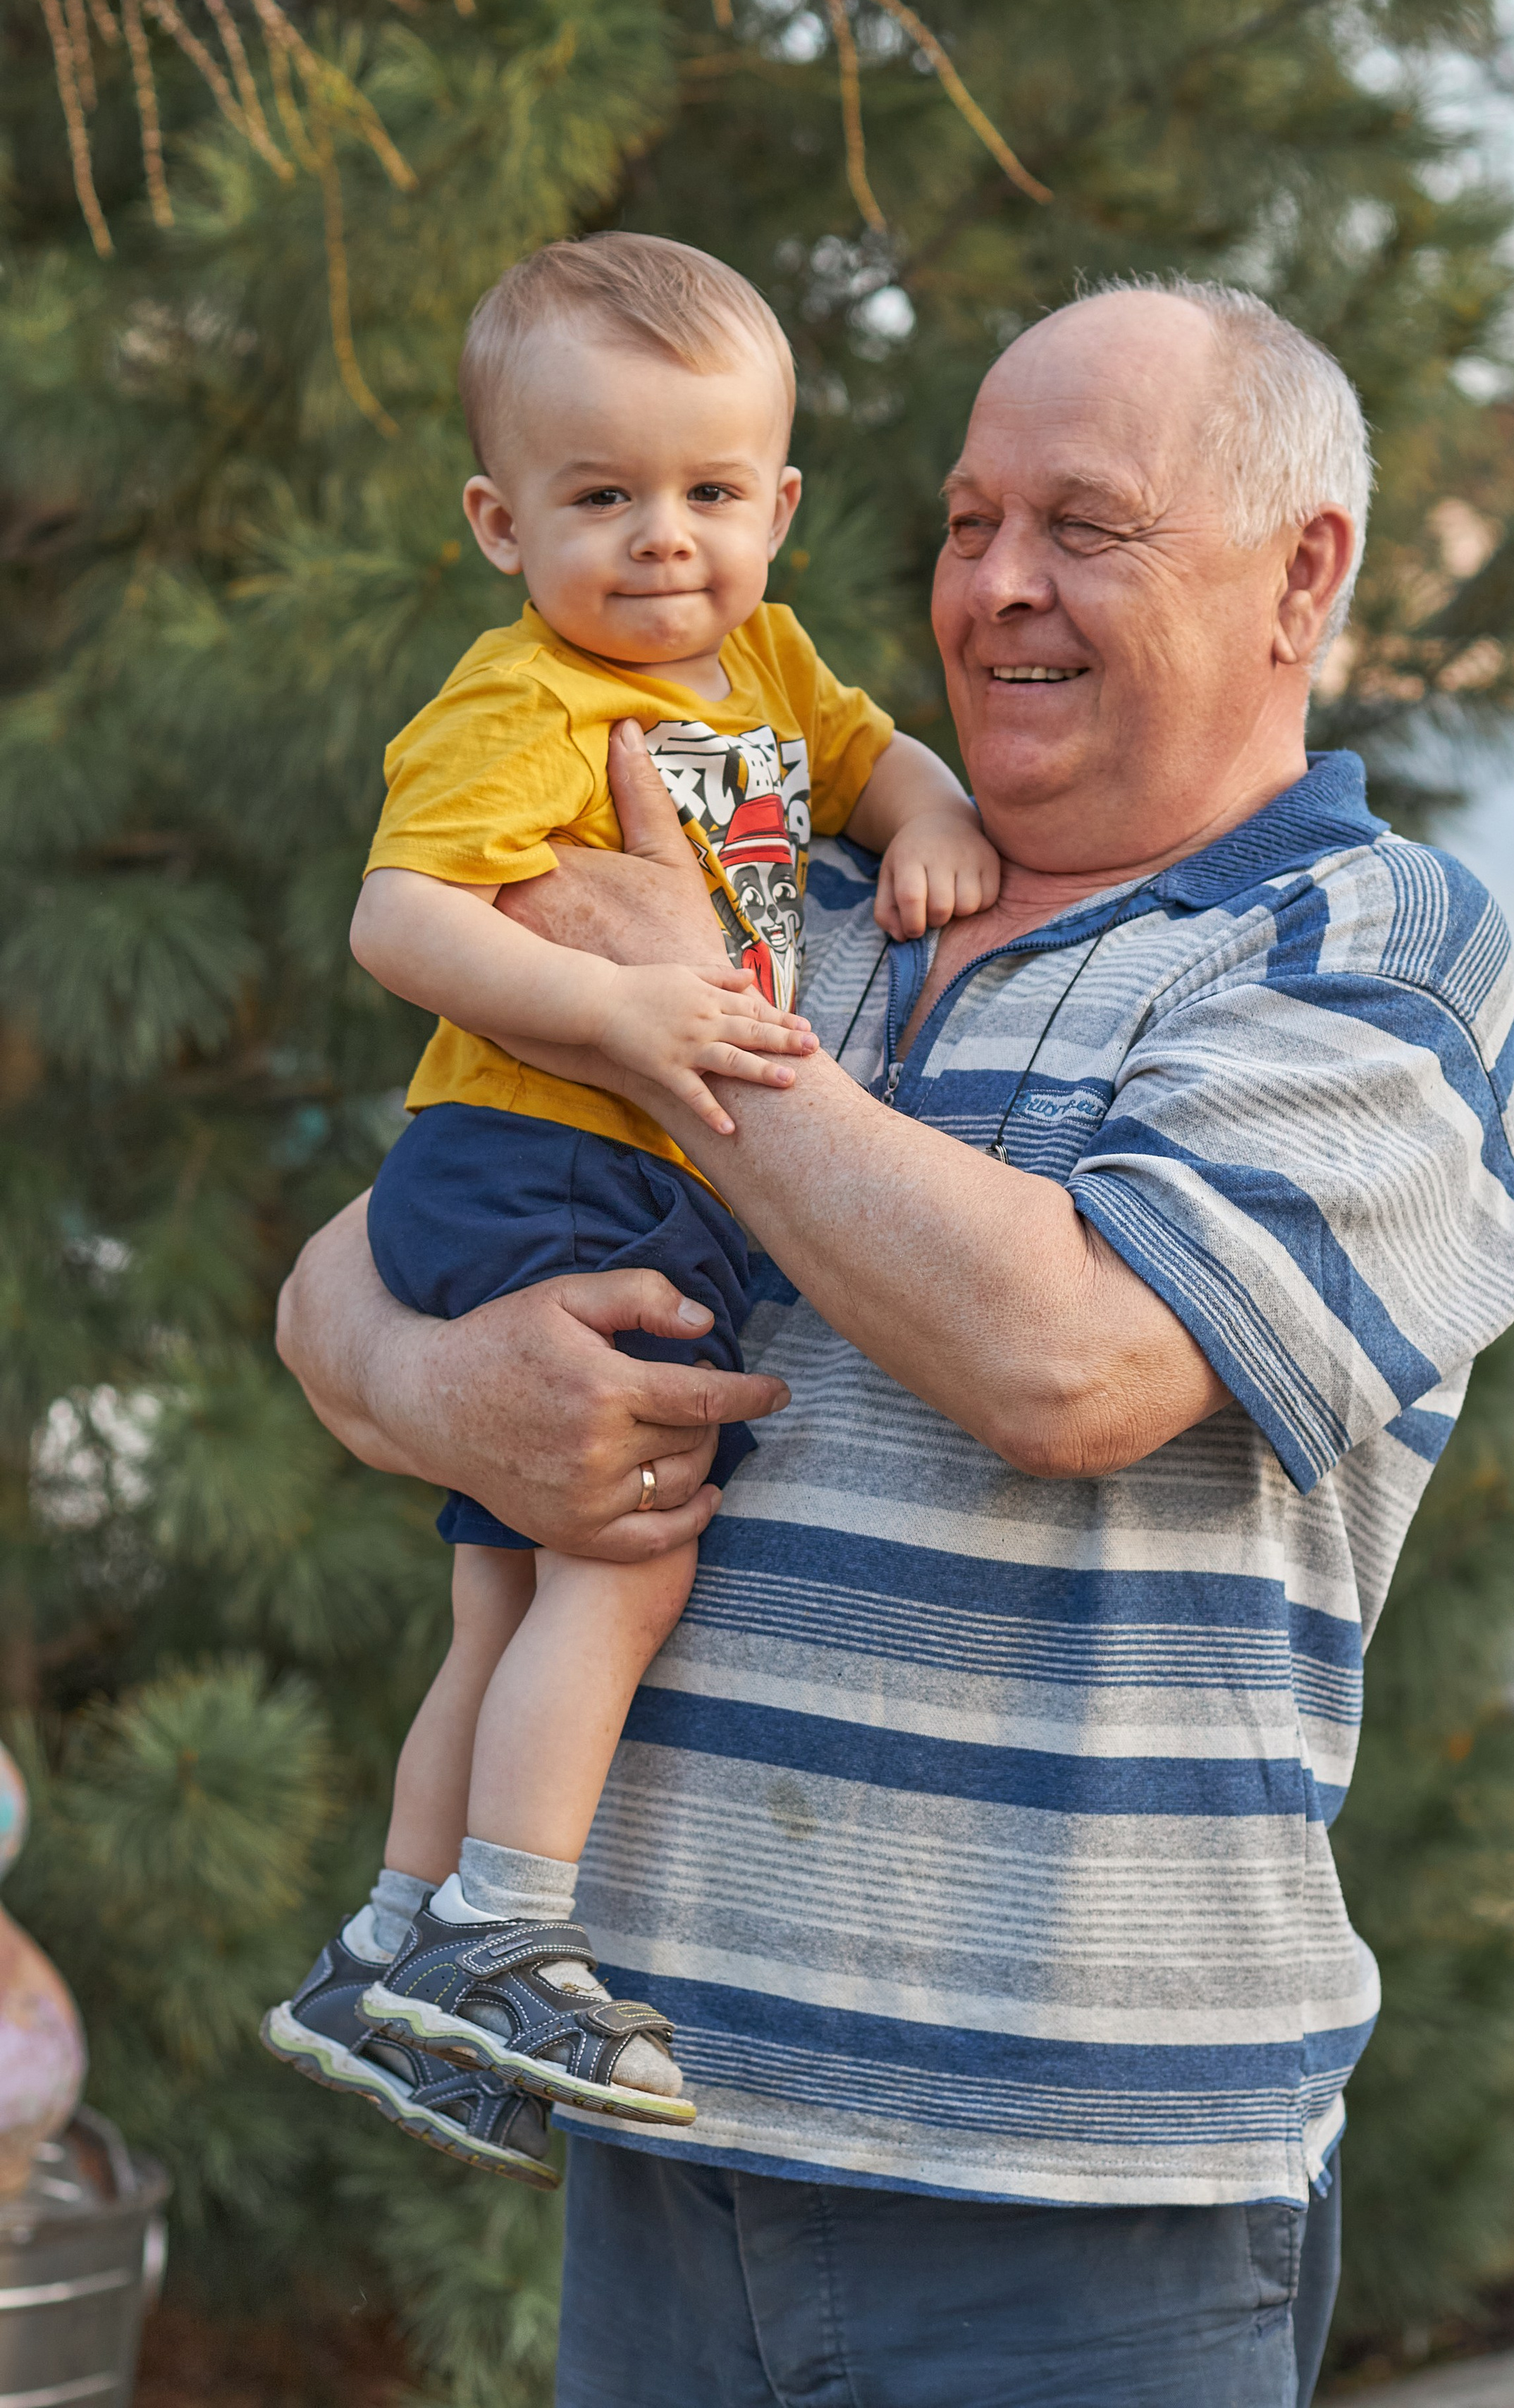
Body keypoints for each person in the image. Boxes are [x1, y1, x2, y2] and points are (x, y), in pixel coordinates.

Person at [278, 280, 1514, 2405]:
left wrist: (711, 1042)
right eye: (967, 524)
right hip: (664, 2143)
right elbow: (346, 1277)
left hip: (1066, 2207)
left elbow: (1075, 1366)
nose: (997, 588)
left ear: (1300, 572)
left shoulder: (1372, 949)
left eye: (1086, 524)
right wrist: (454, 1395)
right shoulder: (824, 907)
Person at [260, 233, 999, 2182]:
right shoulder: (525, 699)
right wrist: (619, 1003)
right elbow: (399, 915)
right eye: (600, 499)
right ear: (503, 523)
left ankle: (389, 1946)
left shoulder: (759, 662)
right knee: (628, 1549)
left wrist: (922, 819)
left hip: (583, 1174)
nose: (660, 542)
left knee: (502, 1590)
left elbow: (870, 756)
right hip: (551, 1165)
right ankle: (515, 1920)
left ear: (779, 505)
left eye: (704, 492)